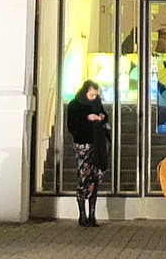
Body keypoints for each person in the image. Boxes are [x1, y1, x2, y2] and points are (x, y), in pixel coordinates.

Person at [64, 81, 110, 227]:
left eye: (96, 95)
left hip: (97, 144)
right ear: (85, 92)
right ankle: (82, 214)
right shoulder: (75, 105)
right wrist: (87, 119)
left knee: (96, 177)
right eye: (91, 95)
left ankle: (92, 214)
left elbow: (105, 116)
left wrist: (102, 117)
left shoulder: (97, 103)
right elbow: (72, 126)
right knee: (84, 177)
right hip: (83, 144)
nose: (94, 97)